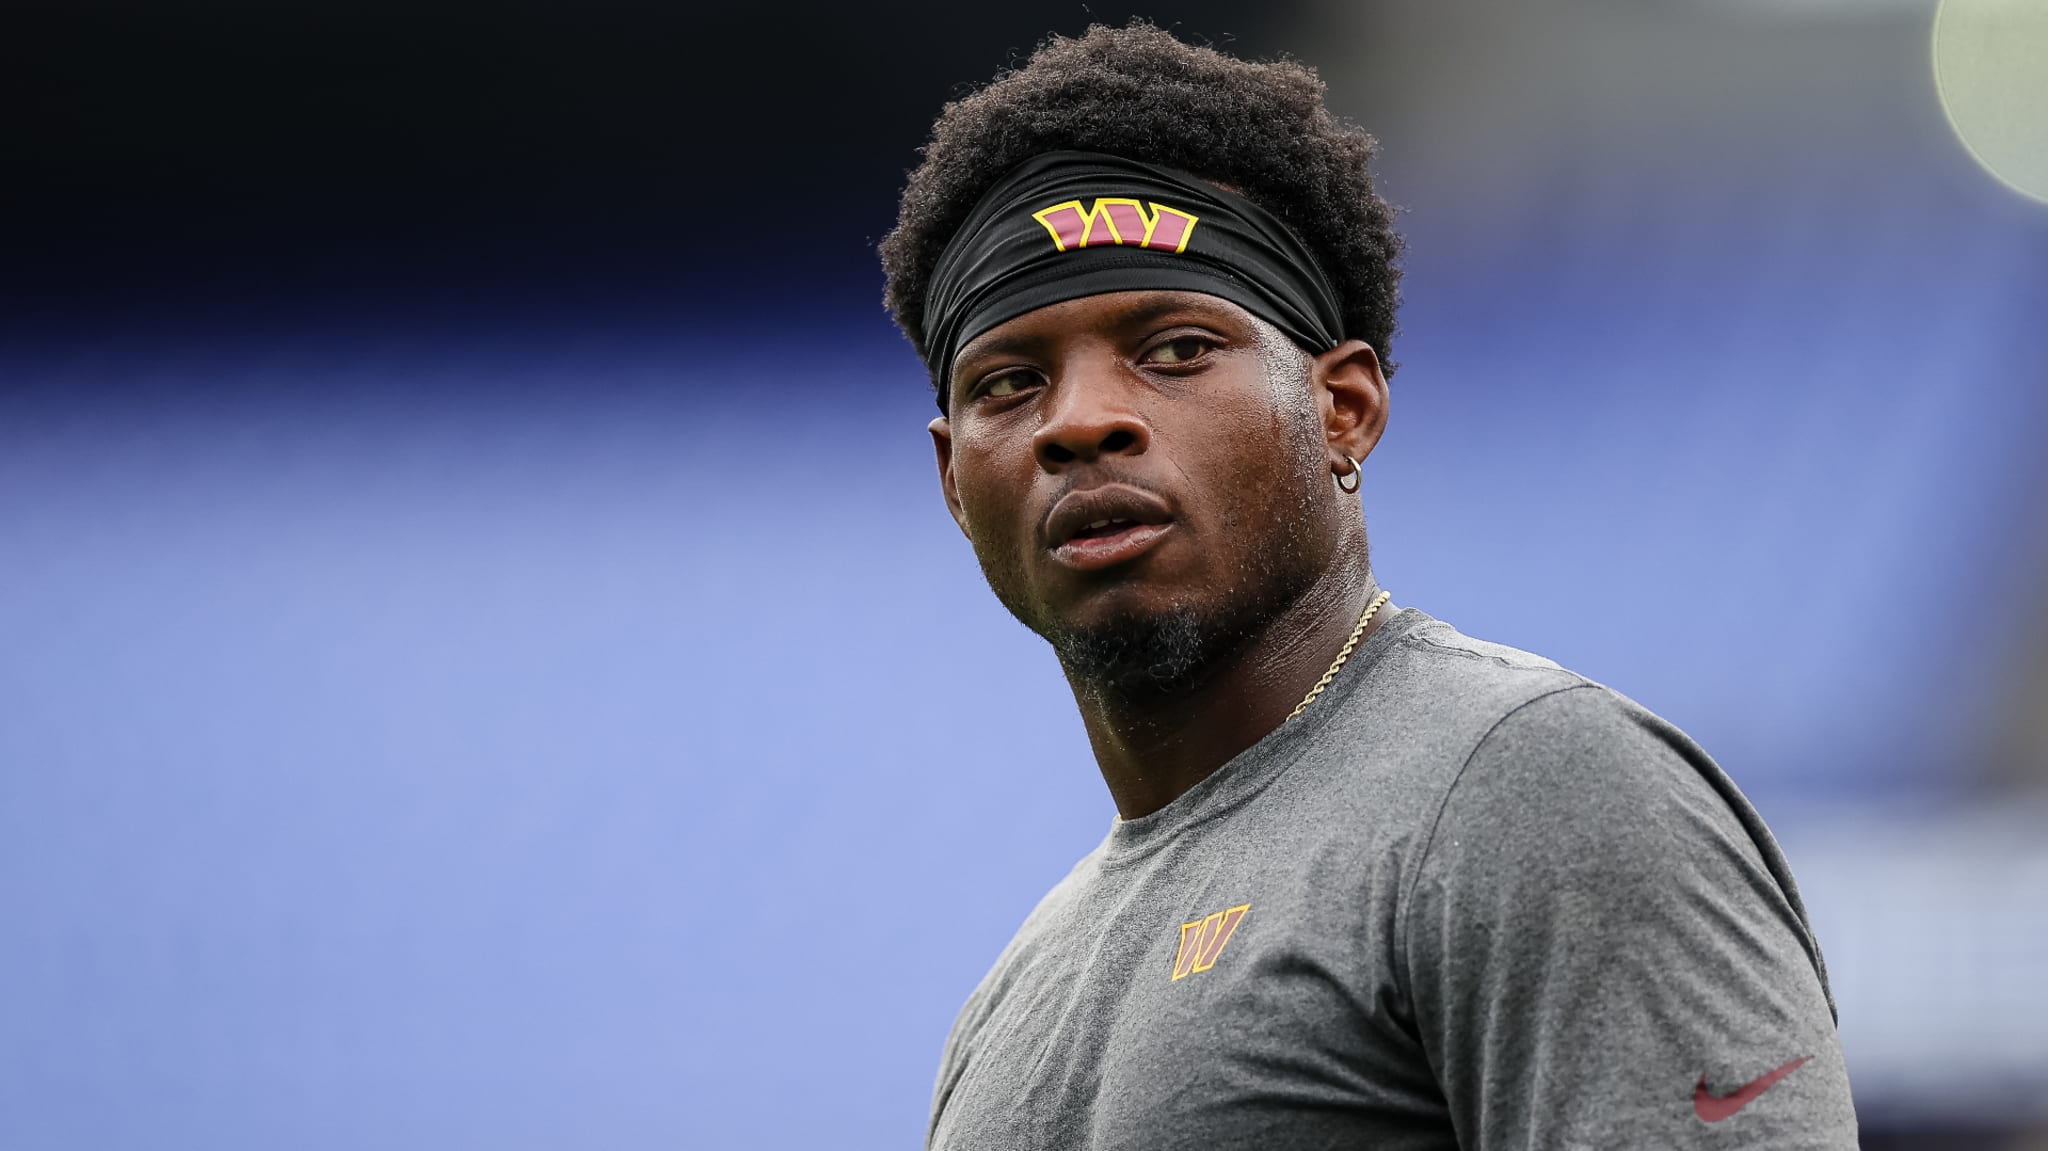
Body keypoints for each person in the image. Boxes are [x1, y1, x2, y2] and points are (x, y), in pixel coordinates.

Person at [879, 23, 1856, 1150]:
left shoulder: (1532, 790)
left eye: (1176, 349)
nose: (1080, 420)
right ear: (956, 480)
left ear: (1341, 409)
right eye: (1010, 381)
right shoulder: (1007, 1003)